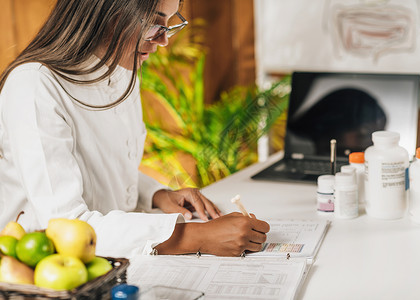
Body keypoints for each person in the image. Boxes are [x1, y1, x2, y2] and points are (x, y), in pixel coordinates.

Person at [0, 0, 269, 257]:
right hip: (43, 273)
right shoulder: (34, 86)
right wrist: (196, 237)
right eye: (154, 25)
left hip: (110, 260)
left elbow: (98, 165)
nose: (164, 41)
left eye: (168, 25)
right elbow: (66, 227)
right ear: (108, 13)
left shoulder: (121, 72)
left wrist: (156, 195)